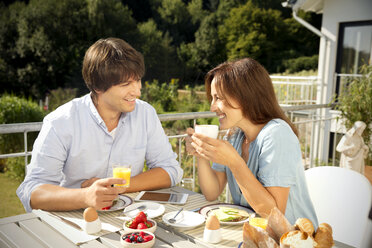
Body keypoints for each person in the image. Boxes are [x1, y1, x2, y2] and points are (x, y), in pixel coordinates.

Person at [17, 38, 183, 212]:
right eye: (126, 84)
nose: (137, 91)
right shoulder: (61, 121)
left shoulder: (145, 114)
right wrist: (86, 196)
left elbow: (170, 170)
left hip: (128, 219)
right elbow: (32, 191)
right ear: (98, 87)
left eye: (138, 80)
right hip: (74, 220)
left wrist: (119, 187)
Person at [186, 58, 318, 226]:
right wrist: (201, 152)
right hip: (255, 235)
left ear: (245, 96)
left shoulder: (277, 134)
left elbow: (274, 215)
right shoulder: (234, 136)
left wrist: (235, 162)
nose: (212, 107)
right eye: (212, 99)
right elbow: (212, 193)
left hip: (294, 239)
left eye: (218, 98)